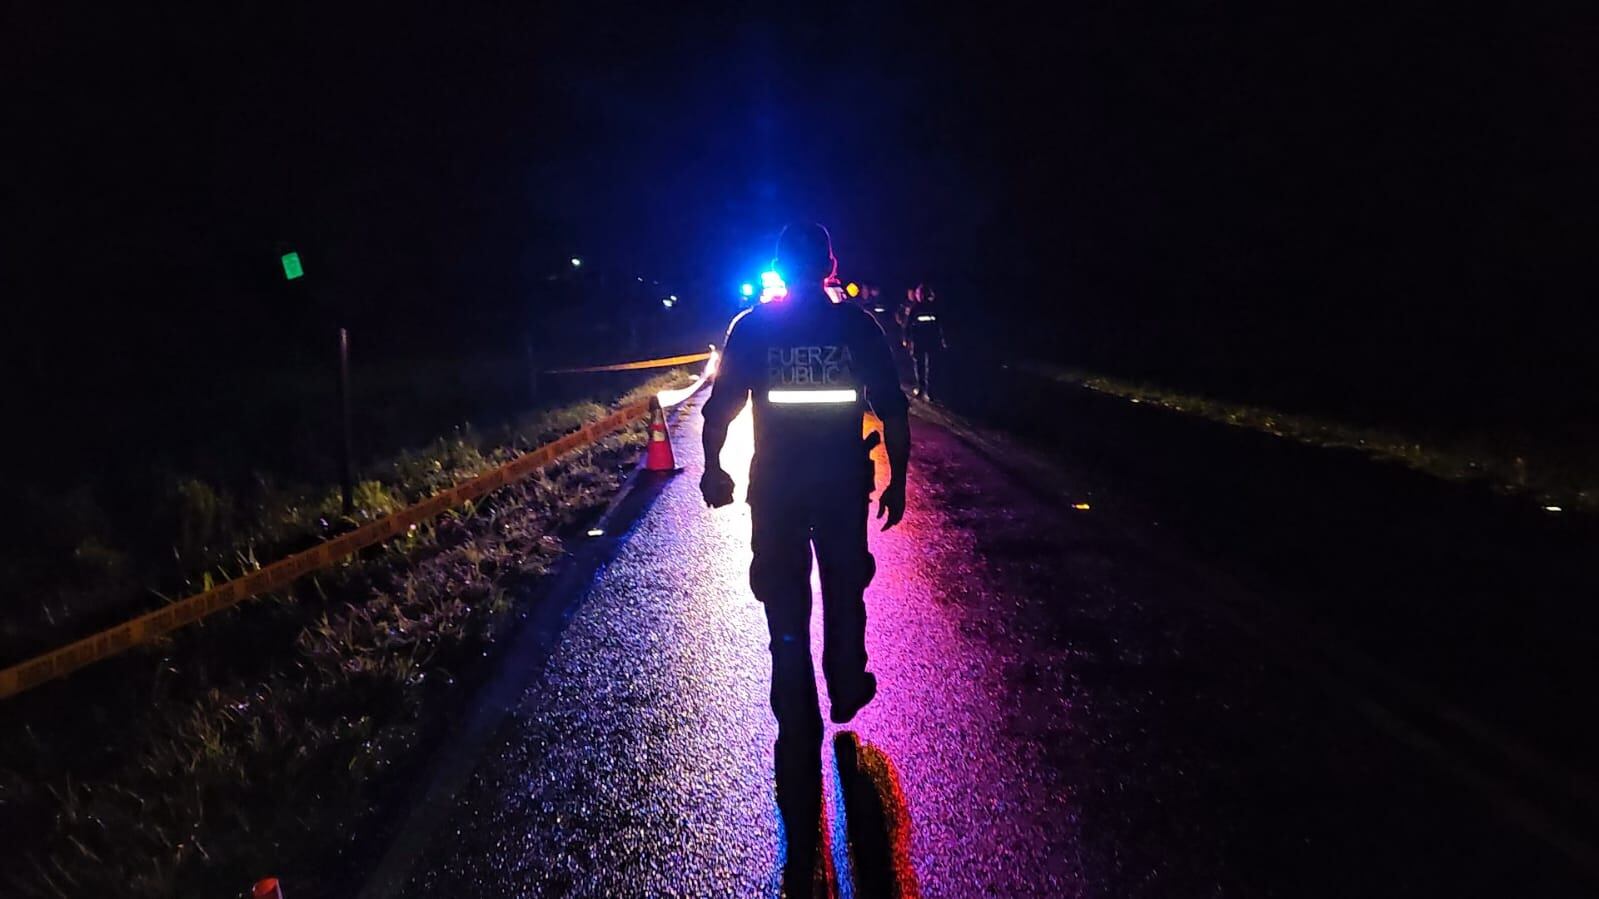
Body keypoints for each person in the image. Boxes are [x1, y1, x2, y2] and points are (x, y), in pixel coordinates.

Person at [700, 223, 910, 893]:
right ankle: (845, 678)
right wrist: (898, 475)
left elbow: (721, 406)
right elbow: (893, 407)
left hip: (779, 489)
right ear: (828, 264)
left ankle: (792, 686)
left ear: (781, 268)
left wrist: (713, 469)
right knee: (845, 585)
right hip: (841, 487)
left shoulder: (753, 328)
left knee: (783, 591)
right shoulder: (857, 327)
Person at [905, 283, 947, 401]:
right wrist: (907, 339)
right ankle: (925, 389)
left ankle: (927, 389)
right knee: (924, 366)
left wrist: (906, 339)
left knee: (927, 366)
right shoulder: (920, 308)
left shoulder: (924, 308)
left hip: (926, 341)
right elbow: (908, 325)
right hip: (925, 341)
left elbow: (939, 325)